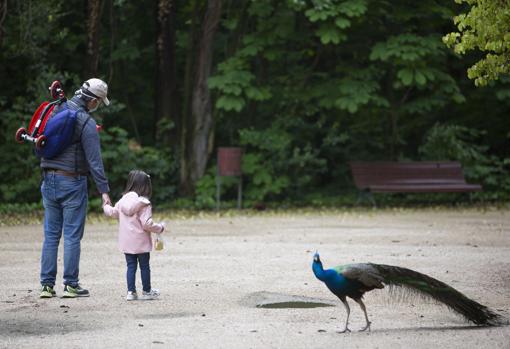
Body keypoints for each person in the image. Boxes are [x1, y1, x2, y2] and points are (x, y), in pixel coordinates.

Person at [39, 78, 112, 299]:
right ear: (93, 100)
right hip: (72, 182)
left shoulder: (56, 109)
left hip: (48, 178)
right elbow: (95, 161)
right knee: (71, 235)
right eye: (99, 101)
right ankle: (71, 285)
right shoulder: (86, 122)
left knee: (51, 235)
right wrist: (105, 192)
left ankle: (46, 286)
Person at [103, 170, 165, 301]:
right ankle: (147, 291)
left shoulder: (122, 201)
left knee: (130, 266)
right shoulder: (143, 203)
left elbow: (113, 213)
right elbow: (146, 224)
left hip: (127, 242)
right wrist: (160, 227)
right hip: (141, 242)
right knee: (144, 266)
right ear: (144, 186)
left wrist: (106, 207)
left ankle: (131, 292)